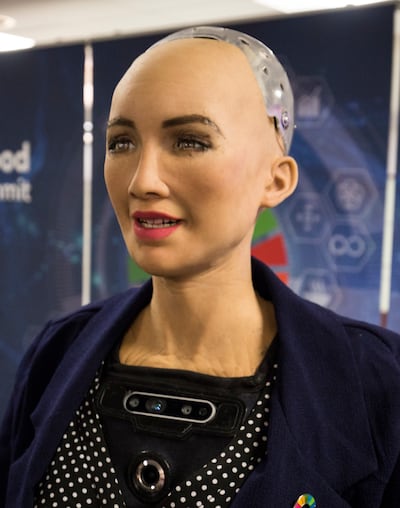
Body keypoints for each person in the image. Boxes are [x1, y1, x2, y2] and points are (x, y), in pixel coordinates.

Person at [1, 25, 400, 508]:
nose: (142, 181)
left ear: (275, 180)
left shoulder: (376, 384)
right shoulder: (57, 354)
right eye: (122, 142)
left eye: (189, 141)